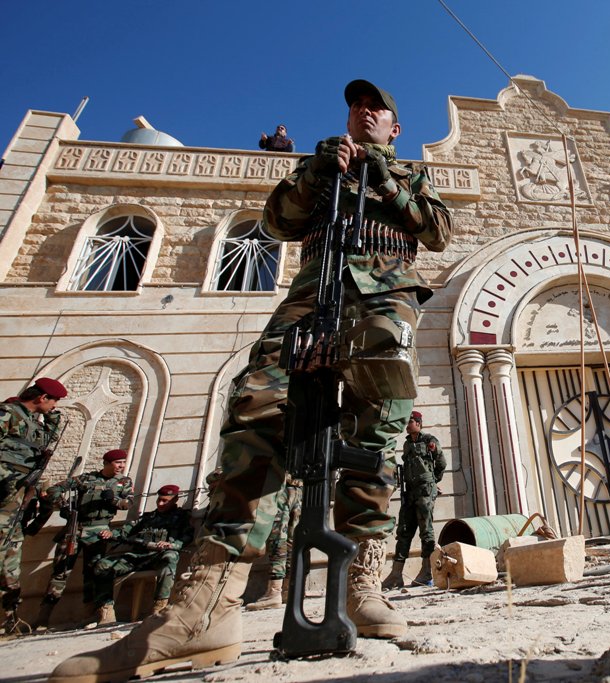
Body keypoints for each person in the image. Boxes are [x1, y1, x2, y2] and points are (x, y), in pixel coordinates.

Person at [50, 79, 453, 681]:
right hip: (309, 300)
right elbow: (277, 222)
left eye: (377, 109)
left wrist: (382, 175)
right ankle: (208, 603)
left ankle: (360, 584)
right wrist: (320, 171)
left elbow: (436, 231)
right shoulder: (320, 165)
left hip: (384, 301)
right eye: (355, 106)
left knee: (379, 428)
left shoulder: (411, 176)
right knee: (256, 409)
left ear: (394, 127)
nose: (363, 113)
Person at [33, 449, 134, 630]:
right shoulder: (85, 479)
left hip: (99, 531)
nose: (121, 466)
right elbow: (54, 489)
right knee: (60, 573)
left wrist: (114, 500)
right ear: (107, 463)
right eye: (118, 462)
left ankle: (91, 613)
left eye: (123, 463)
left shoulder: (123, 482)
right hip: (75, 528)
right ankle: (42, 619)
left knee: (93, 572)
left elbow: (128, 503)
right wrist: (64, 507)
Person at [0, 378, 66, 632]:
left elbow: (41, 451)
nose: (55, 406)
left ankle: (10, 618)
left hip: (16, 504)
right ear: (41, 397)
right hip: (4, 495)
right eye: (54, 400)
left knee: (11, 560)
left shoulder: (34, 425)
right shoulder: (9, 414)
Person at [91, 484, 194, 621]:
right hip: (138, 557)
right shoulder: (148, 518)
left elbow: (187, 536)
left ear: (175, 500)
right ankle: (106, 612)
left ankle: (159, 608)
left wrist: (171, 545)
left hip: (158, 557)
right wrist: (110, 534)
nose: (161, 503)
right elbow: (125, 531)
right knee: (102, 565)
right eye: (159, 500)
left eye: (165, 501)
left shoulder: (181, 518)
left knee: (170, 556)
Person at [383, 410, 446, 589]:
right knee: (404, 530)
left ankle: (427, 572)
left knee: (426, 530)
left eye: (410, 421)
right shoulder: (407, 444)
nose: (407, 424)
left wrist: (433, 481)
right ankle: (396, 574)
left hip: (425, 491)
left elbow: (441, 463)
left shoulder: (429, 441)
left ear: (418, 423)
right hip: (410, 492)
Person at [245, 475, 301, 610]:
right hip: (300, 489)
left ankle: (274, 592)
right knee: (294, 541)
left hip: (280, 489)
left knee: (278, 539)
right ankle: (289, 591)